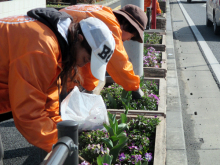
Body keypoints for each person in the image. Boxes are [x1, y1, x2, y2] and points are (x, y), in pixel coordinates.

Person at [0, 8, 115, 152]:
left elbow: (49, 94)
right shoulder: (42, 48)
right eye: (86, 59)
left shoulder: (57, 41)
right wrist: (63, 147)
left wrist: (61, 129)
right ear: (80, 39)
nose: (82, 65)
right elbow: (29, 114)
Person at [60, 4, 147, 98]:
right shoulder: (112, 26)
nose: (129, 39)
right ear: (126, 25)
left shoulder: (104, 13)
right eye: (132, 36)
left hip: (56, 32)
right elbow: (119, 64)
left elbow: (89, 59)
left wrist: (89, 87)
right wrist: (134, 87)